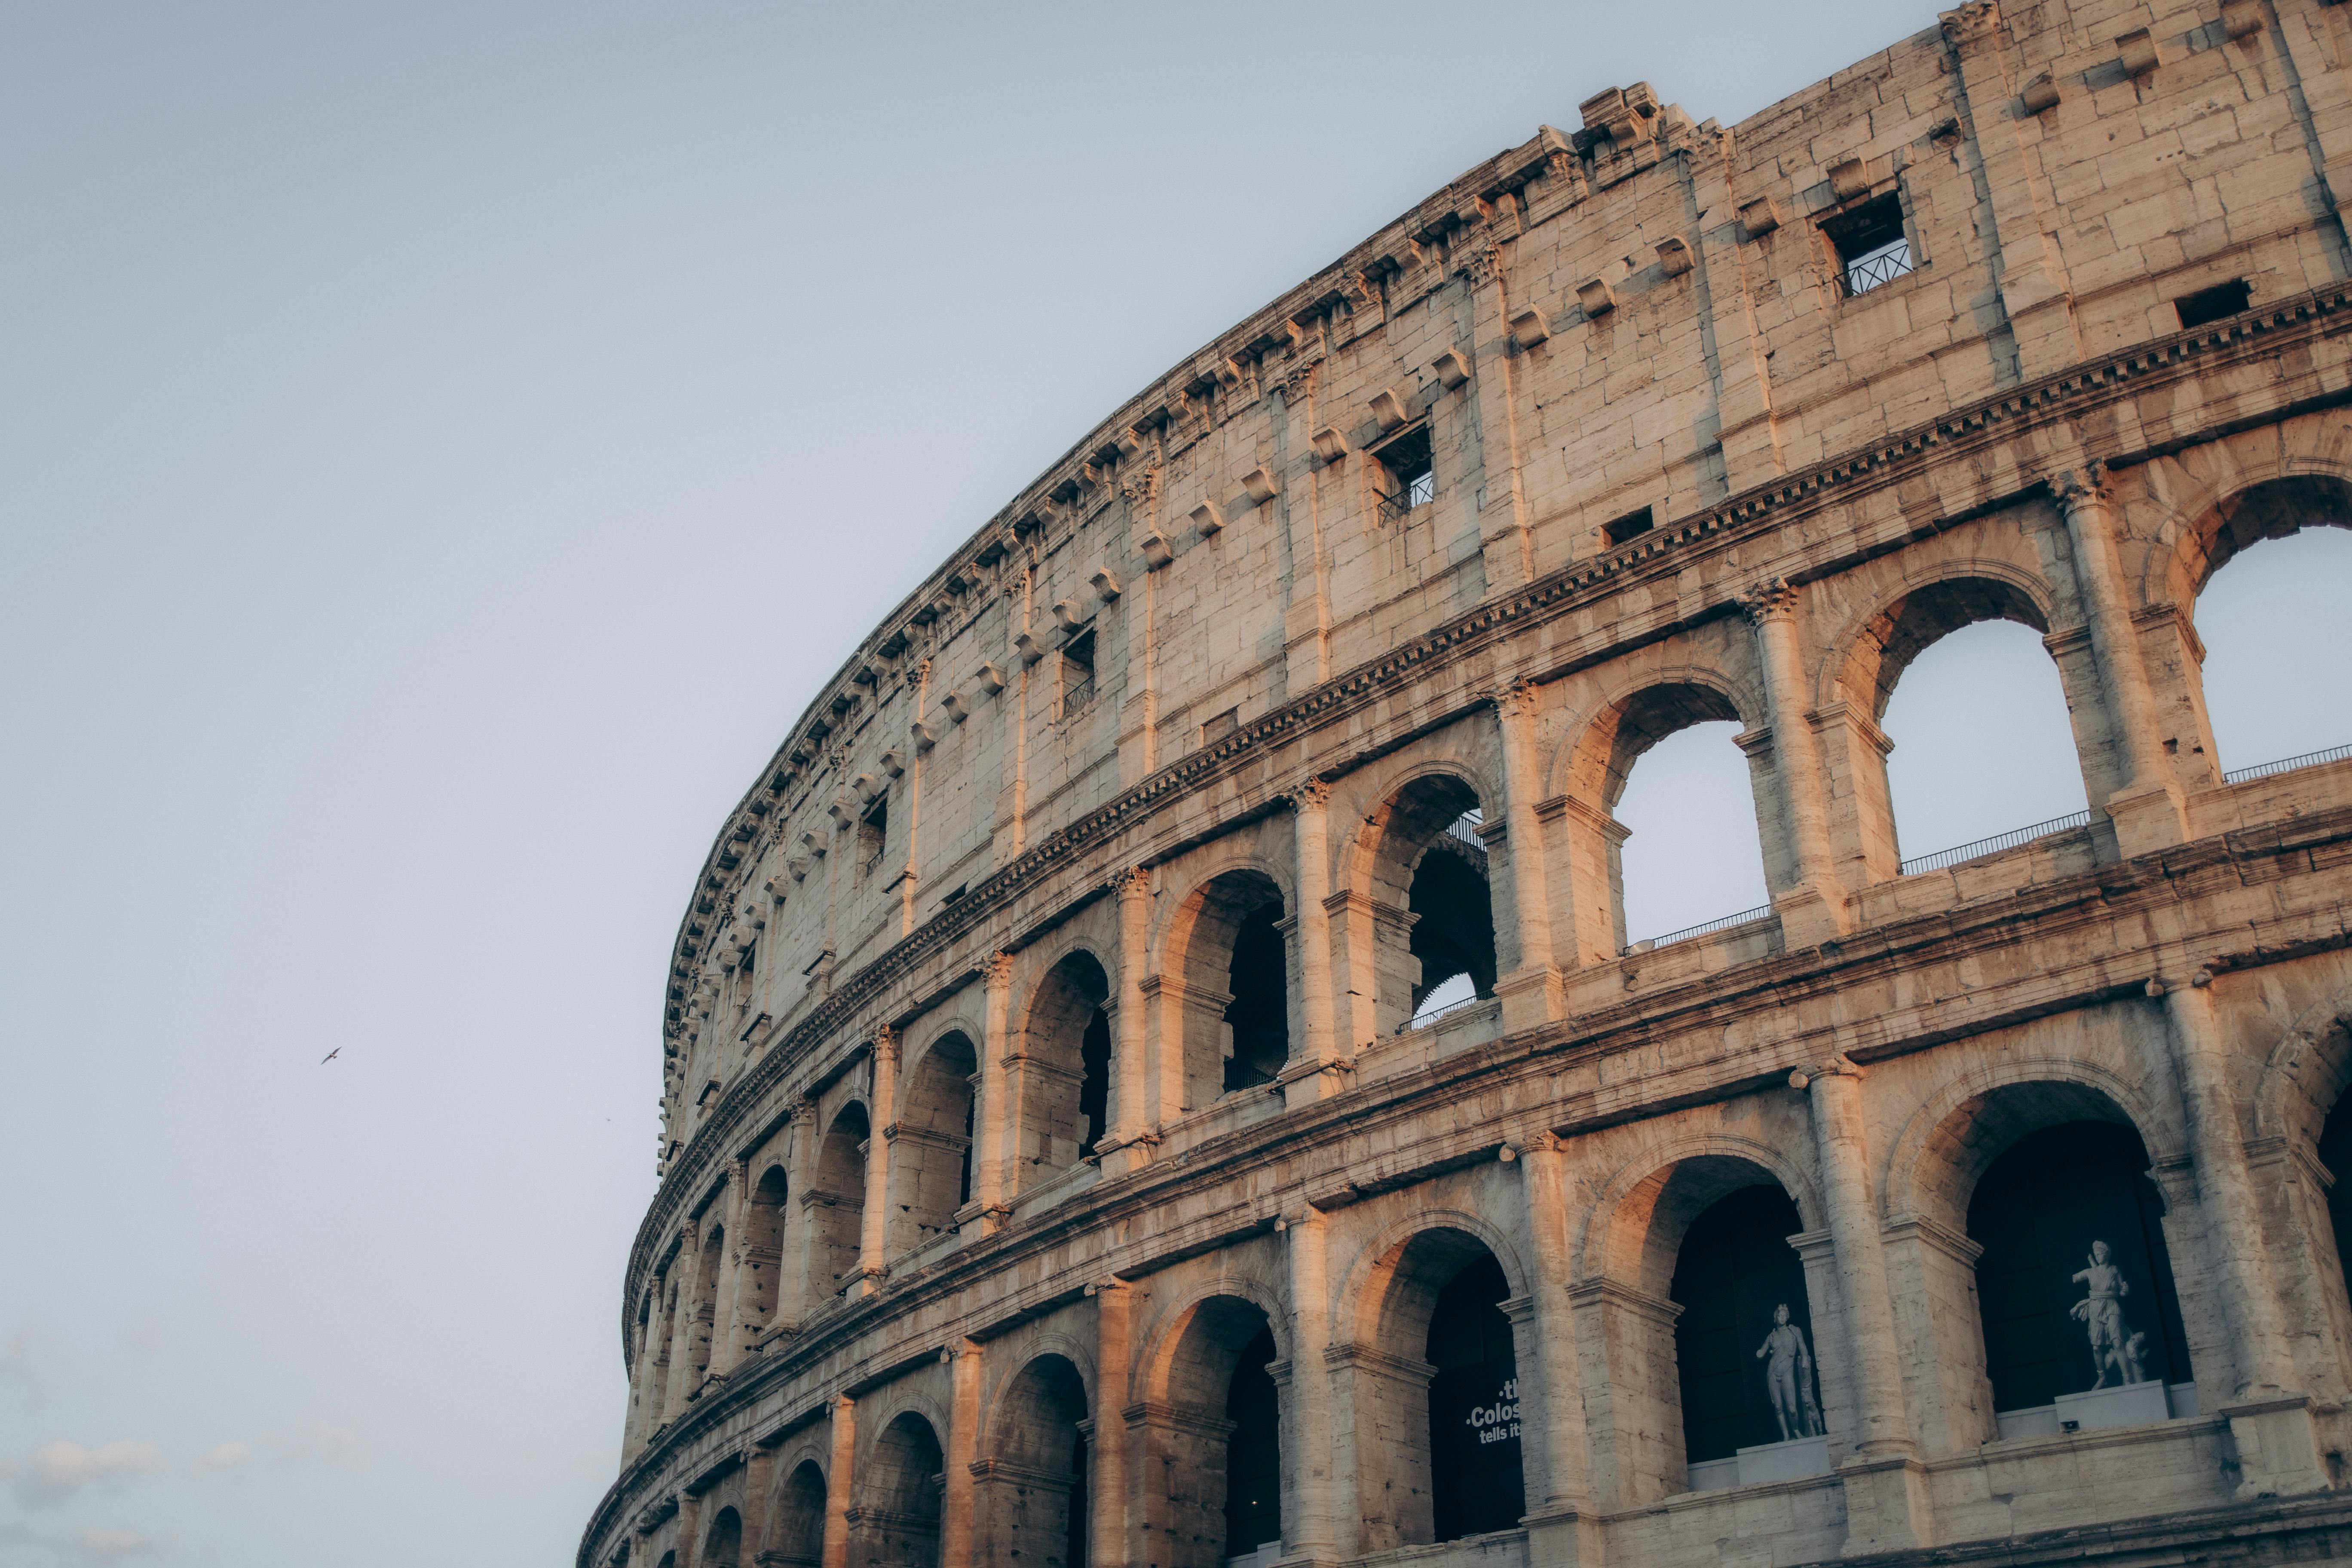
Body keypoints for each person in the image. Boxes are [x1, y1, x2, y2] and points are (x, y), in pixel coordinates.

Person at [2069, 1240, 2135, 1387]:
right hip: (2096, 1308)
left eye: (2101, 1253)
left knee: (2118, 1343)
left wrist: (2125, 1290)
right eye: (2096, 1254)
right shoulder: (2091, 1272)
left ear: (2107, 1254)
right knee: (2096, 1347)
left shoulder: (2114, 1270)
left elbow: (2122, 1290)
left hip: (2112, 1306)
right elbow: (2075, 1278)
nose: (2098, 1256)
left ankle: (2128, 1378)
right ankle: (2102, 1377)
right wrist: (2081, 1275)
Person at [1754, 1302, 1820, 1440]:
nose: (1782, 1317)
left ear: (1787, 1317)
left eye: (1784, 1315)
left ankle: (1796, 1431)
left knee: (1792, 1409)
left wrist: (1804, 1361)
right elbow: (1762, 1351)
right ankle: (1786, 1435)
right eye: (1779, 1315)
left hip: (1787, 1372)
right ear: (1776, 1317)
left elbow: (1802, 1347)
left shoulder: (1794, 1332)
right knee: (1778, 1407)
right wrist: (1759, 1353)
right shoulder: (1771, 1336)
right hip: (1772, 1372)